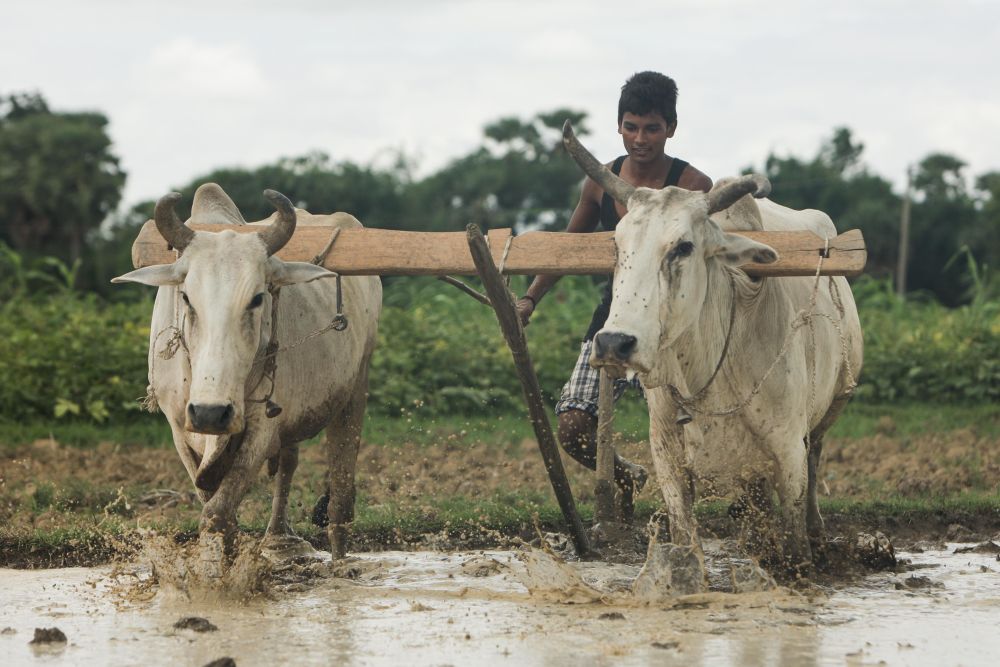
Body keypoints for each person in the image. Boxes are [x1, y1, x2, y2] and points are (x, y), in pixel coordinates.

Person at [515, 71, 713, 520]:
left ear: (671, 129)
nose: (640, 139)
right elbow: (570, 247)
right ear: (619, 126)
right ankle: (629, 477)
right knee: (573, 427)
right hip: (620, 313)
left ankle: (692, 512)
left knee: (694, 431)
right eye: (631, 127)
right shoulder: (599, 183)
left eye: (652, 128)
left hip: (681, 319)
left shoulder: (695, 188)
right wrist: (530, 298)